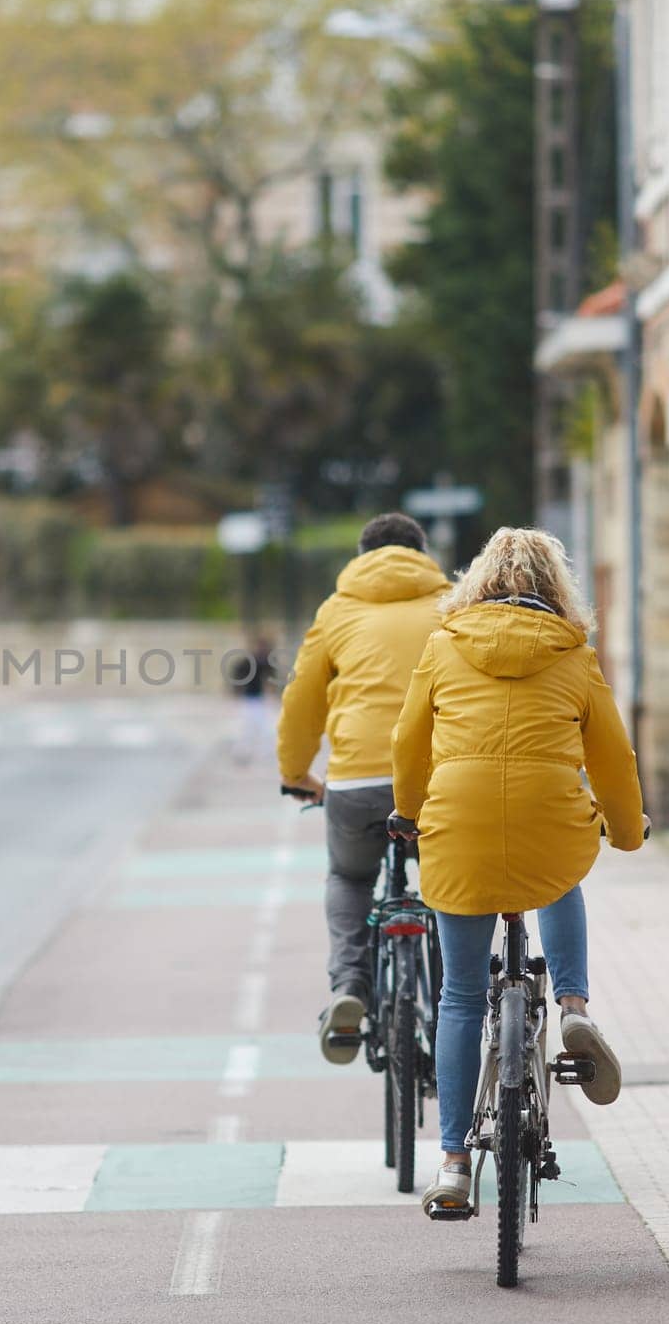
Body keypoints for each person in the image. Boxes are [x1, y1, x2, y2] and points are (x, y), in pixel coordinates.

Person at [387, 527, 646, 1214]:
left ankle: (451, 1163)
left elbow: (408, 740)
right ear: (555, 588)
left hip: (459, 826)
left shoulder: (444, 646)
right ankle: (573, 1006)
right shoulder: (573, 654)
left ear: (475, 583)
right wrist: (625, 832)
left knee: (462, 997)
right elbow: (614, 758)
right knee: (563, 854)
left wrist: (410, 812)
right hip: (546, 821)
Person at [276, 512, 449, 1061]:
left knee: (349, 877)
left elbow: (303, 700)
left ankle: (350, 987)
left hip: (355, 780)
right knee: (450, 888)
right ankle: (453, 1000)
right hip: (437, 780)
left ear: (361, 555)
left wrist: (296, 773)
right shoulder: (451, 605)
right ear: (422, 553)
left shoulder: (337, 610)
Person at [232, 634, 275, 763]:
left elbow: (271, 676)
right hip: (249, 699)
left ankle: (261, 752)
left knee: (261, 727)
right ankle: (241, 751)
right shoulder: (248, 661)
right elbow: (237, 675)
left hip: (258, 699)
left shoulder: (263, 661)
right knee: (248, 727)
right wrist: (236, 690)